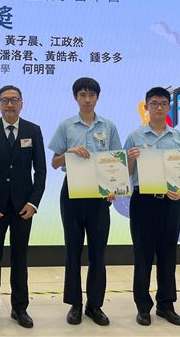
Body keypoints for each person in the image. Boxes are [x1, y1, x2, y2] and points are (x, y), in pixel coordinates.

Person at [48, 77, 121, 326]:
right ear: (75, 98)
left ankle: (94, 305)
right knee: (73, 250)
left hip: (99, 195)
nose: (87, 99)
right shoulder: (66, 126)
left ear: (97, 97)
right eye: (82, 95)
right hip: (72, 193)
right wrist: (68, 153)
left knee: (98, 253)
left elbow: (115, 160)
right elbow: (54, 162)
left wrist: (113, 188)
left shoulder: (108, 126)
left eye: (91, 95)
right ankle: (75, 304)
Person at [0, 85, 46, 330]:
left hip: (23, 207)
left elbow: (41, 171)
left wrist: (33, 203)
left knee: (20, 257)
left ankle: (20, 307)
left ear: (21, 103)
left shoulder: (33, 130)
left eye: (14, 100)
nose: (9, 104)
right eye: (4, 100)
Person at [123, 86, 180, 327]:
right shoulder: (135, 137)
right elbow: (124, 173)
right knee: (143, 255)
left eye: (163, 103)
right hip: (143, 201)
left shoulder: (178, 137)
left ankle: (166, 305)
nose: (159, 107)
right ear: (146, 107)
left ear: (169, 107)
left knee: (168, 254)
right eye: (154, 103)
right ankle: (143, 307)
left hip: (171, 202)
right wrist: (130, 159)